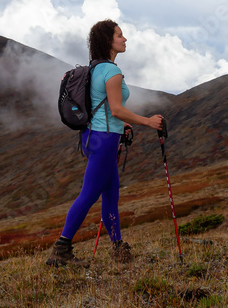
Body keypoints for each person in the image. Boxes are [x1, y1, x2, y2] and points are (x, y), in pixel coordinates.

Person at [47, 19, 164, 267]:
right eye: (119, 35)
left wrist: (124, 126)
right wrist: (147, 121)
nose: (124, 39)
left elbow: (104, 110)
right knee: (89, 194)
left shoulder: (94, 68)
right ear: (108, 41)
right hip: (105, 139)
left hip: (93, 137)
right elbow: (117, 109)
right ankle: (61, 249)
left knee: (110, 194)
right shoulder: (112, 71)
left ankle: (118, 249)